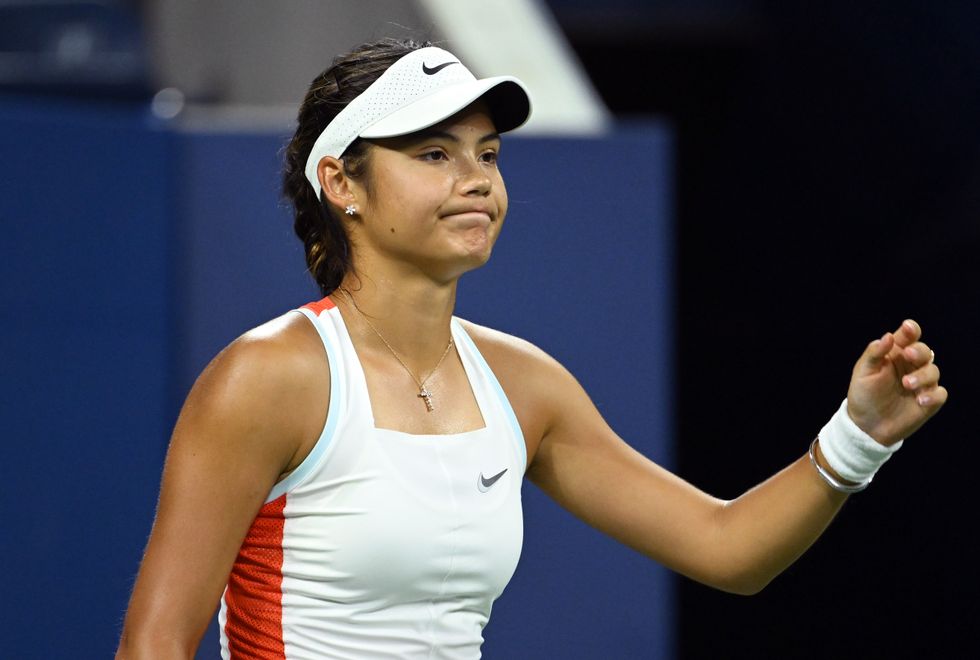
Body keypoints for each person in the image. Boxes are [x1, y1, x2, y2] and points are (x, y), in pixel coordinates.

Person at [115, 38, 947, 659]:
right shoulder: (267, 378)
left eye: (487, 154)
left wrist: (858, 435)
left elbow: (728, 550)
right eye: (434, 154)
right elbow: (152, 647)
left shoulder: (525, 385)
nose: (475, 178)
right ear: (342, 183)